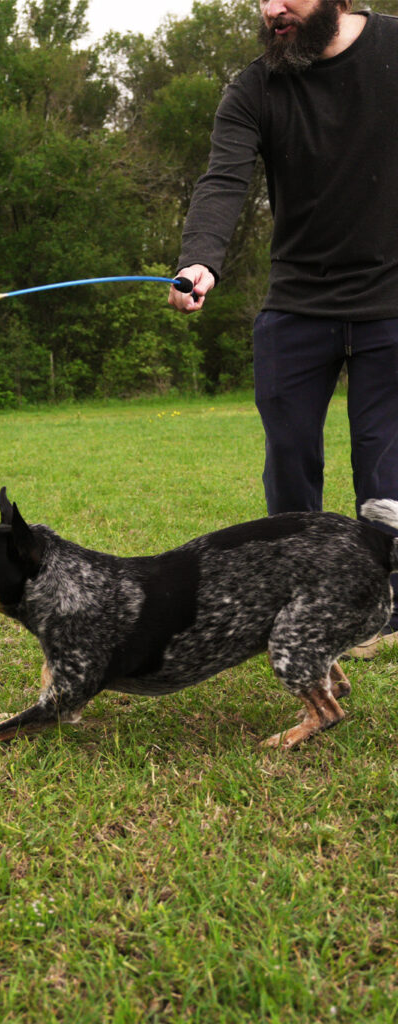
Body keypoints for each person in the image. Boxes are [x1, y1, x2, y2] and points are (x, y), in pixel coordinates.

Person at [168, 0, 398, 656]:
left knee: (384, 463)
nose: (273, 8)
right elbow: (222, 182)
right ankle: (301, 594)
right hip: (296, 304)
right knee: (290, 458)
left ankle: (382, 608)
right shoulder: (254, 87)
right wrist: (200, 258)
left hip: (391, 302)